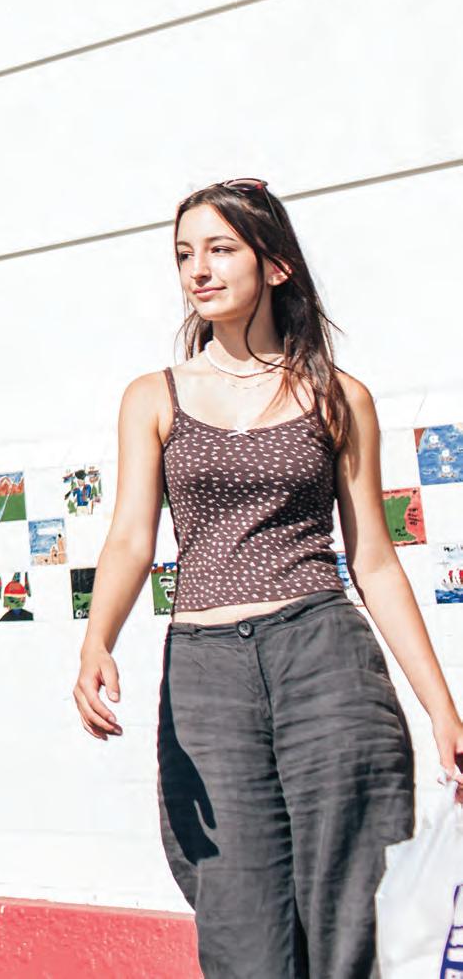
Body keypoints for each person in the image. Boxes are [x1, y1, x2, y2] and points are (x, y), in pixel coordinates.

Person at [73, 177, 463, 979]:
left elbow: (374, 560)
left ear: (275, 265)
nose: (198, 269)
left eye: (221, 249)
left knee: (352, 908)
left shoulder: (337, 396)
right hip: (207, 672)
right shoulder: (153, 397)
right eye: (185, 254)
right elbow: (130, 539)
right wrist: (96, 640)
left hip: (325, 657)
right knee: (238, 918)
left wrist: (441, 710)